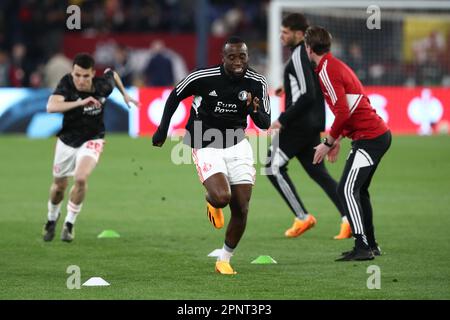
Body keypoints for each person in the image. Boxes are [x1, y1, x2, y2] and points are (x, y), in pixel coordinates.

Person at [152, 36, 270, 274]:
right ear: (223, 58)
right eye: (232, 57)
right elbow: (175, 96)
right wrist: (163, 129)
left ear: (248, 57)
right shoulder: (202, 77)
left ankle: (224, 260)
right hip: (205, 142)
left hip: (238, 145)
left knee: (242, 208)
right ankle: (212, 202)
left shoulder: (257, 82)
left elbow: (264, 123)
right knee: (221, 197)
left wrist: (253, 109)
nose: (238, 61)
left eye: (243, 56)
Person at [305, 26, 392, 261]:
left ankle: (362, 247)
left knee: (346, 188)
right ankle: (370, 245)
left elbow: (343, 111)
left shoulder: (325, 71)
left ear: (308, 48)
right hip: (374, 135)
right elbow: (352, 107)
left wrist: (328, 141)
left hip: (370, 137)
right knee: (359, 191)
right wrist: (340, 137)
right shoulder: (335, 66)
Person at [265, 13, 349, 240]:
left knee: (271, 167)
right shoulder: (307, 55)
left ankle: (302, 217)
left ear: (299, 34)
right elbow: (311, 83)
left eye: (285, 32)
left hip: (299, 124)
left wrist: (282, 119)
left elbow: (308, 94)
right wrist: (287, 86)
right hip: (312, 123)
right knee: (318, 173)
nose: (281, 36)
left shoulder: (299, 54)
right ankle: (349, 219)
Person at [42, 53, 139, 242]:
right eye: (77, 75)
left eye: (85, 76)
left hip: (93, 139)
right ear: (72, 73)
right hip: (67, 141)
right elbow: (51, 107)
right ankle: (52, 218)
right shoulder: (67, 83)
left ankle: (69, 224)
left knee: (80, 178)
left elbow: (113, 74)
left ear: (93, 74)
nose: (80, 80)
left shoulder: (102, 86)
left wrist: (125, 94)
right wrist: (81, 102)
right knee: (59, 188)